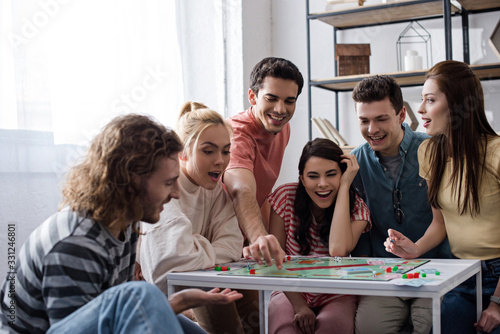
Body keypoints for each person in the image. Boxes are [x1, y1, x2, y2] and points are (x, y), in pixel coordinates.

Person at [0, 114, 242, 334]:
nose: (177, 193)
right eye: (168, 183)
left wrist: (179, 303)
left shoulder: (126, 226)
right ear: (131, 182)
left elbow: (111, 318)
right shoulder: (75, 243)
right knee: (142, 294)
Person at [385, 60, 500, 334]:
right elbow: (440, 223)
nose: (421, 109)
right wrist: (415, 249)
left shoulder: (496, 153)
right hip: (462, 272)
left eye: (430, 100)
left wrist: (496, 303)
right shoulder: (429, 153)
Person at [137, 101, 252, 333]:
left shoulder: (216, 190)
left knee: (248, 307)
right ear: (183, 152)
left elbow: (232, 246)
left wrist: (194, 242)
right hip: (150, 301)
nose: (220, 160)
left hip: (193, 287)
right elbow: (168, 264)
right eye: (208, 151)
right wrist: (206, 246)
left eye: (226, 151)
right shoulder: (166, 186)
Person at [350, 74, 451, 334]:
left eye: (381, 118)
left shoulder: (435, 149)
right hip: (385, 275)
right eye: (364, 120)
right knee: (368, 326)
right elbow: (359, 232)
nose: (372, 129)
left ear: (401, 114)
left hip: (437, 269)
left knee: (431, 325)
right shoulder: (355, 164)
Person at [267, 138, 371, 334]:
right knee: (285, 330)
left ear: (342, 175)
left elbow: (338, 250)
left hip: (336, 292)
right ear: (302, 178)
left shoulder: (357, 208)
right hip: (291, 289)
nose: (322, 184)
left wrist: (345, 186)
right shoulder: (284, 197)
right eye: (313, 176)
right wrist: (299, 306)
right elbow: (275, 260)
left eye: (332, 175)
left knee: (330, 328)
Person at [223, 56, 304, 270]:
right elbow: (241, 189)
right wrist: (260, 237)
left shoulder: (282, 128)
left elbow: (262, 189)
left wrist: (266, 237)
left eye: (289, 101)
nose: (280, 109)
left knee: (254, 304)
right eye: (271, 98)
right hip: (217, 239)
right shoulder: (237, 134)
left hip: (246, 238)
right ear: (252, 96)